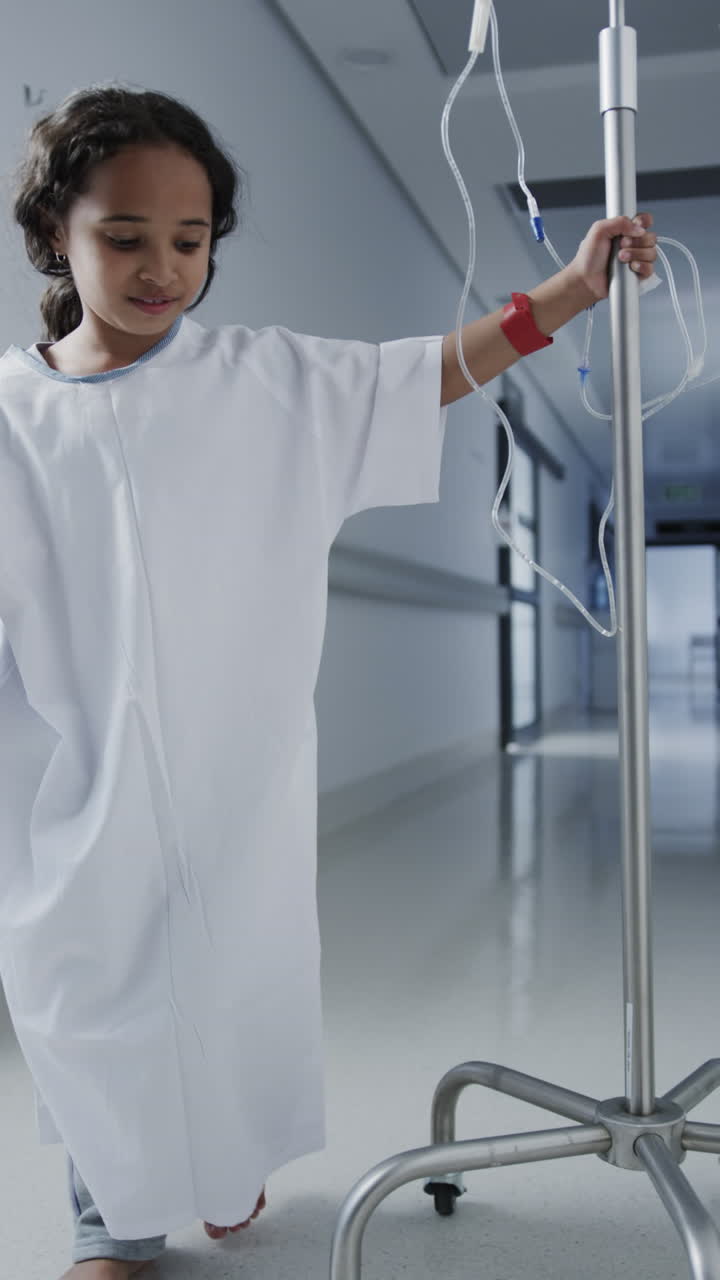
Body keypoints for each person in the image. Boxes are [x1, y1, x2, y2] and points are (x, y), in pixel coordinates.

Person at [0, 83, 657, 1280]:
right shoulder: (10, 414)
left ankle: (221, 1155)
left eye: (189, 241)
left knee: (229, 968)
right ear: (53, 232)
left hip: (229, 768)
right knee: (81, 985)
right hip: (69, 770)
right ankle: (114, 1218)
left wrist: (564, 293)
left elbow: (423, 374)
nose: (162, 268)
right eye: (124, 237)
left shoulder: (265, 380)